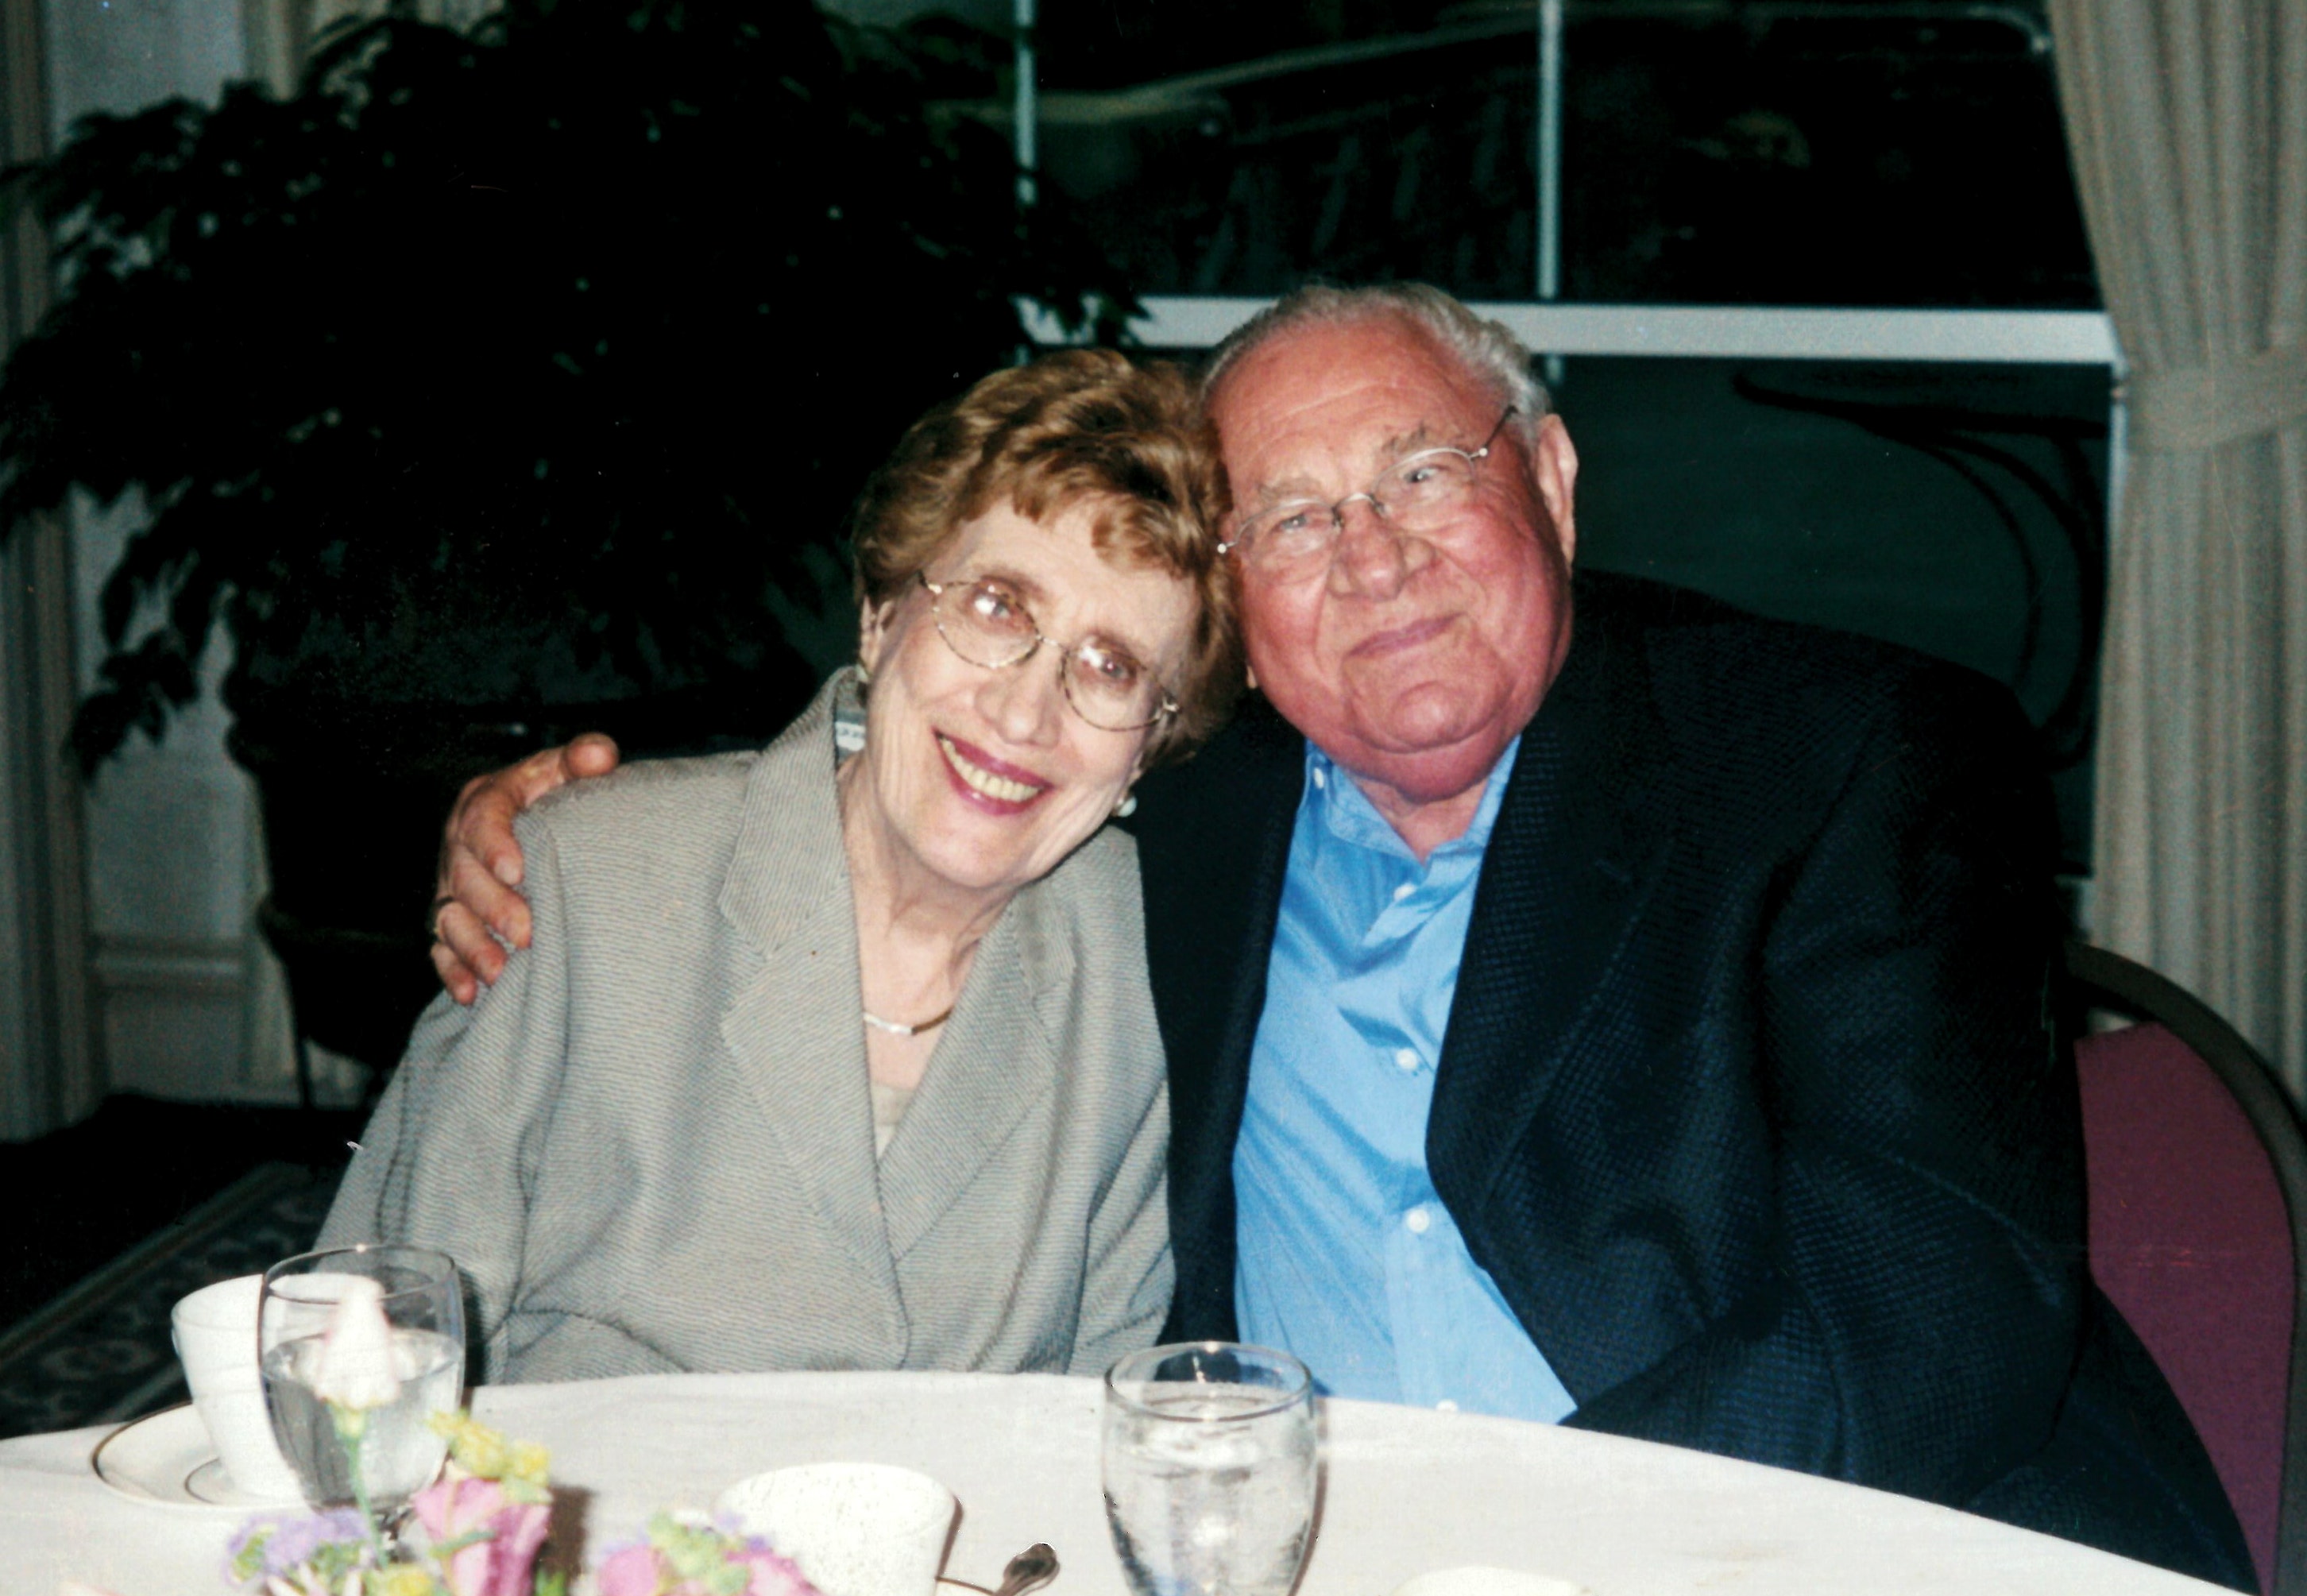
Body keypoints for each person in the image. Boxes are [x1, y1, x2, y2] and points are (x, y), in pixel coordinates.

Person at [428, 287, 2252, 1589]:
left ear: (1546, 476)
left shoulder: (1845, 755)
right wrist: (572, 820)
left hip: (1799, 1542)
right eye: (1293, 519)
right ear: (1229, 617)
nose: (1370, 558)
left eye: (1420, 473)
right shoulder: (1182, 792)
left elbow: (1936, 1316)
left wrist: (1508, 1527)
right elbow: (972, 713)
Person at [323, 349, 1241, 1383]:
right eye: (996, 607)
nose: (1027, 711)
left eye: (1111, 666)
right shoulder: (587, 882)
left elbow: (1103, 1404)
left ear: (1146, 749)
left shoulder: (1142, 955)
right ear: (884, 612)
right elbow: (374, 1352)